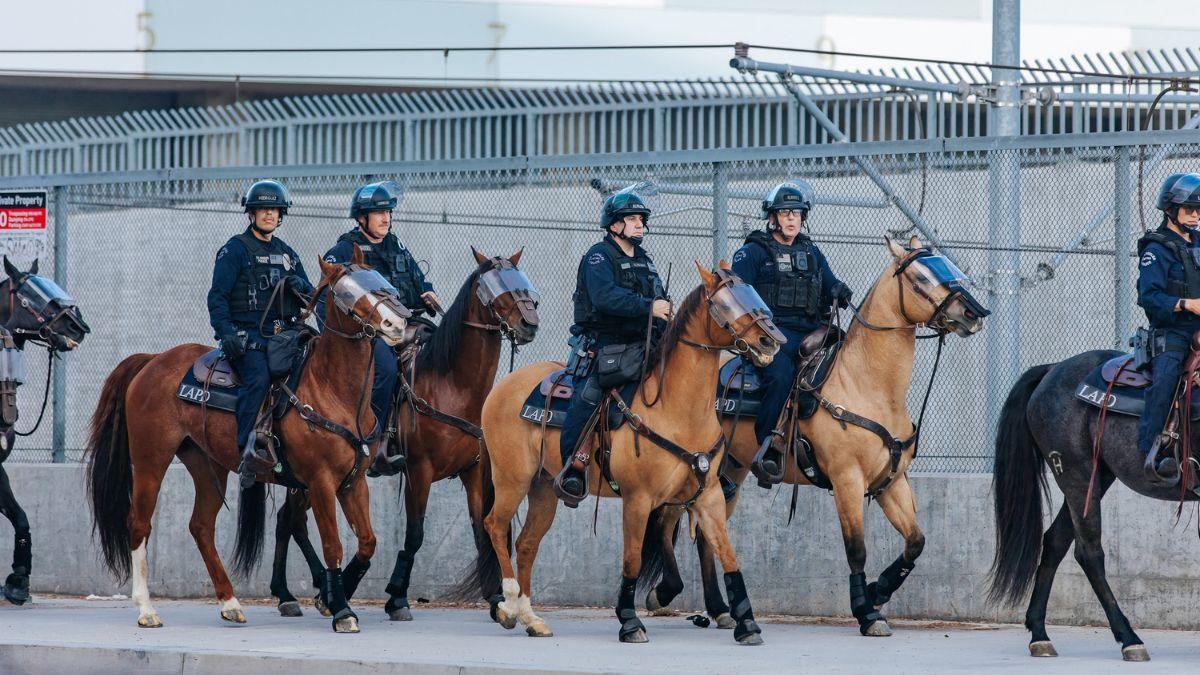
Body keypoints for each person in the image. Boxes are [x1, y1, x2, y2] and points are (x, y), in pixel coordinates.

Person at [554, 186, 670, 506]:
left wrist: (665, 321)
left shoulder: (645, 259)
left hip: (641, 344)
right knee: (587, 397)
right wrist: (649, 307)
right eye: (631, 219)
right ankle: (573, 468)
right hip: (602, 347)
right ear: (614, 225)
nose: (639, 225)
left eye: (641, 220)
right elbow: (605, 299)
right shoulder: (598, 256)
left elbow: (660, 298)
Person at [732, 180, 851, 487]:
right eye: (785, 213)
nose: (791, 219)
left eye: (797, 213)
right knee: (781, 376)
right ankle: (768, 448)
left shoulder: (811, 251)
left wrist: (838, 289)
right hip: (772, 336)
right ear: (772, 217)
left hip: (812, 332)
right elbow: (736, 298)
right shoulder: (752, 252)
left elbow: (830, 284)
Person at [318, 181, 439, 474]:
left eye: (388, 212)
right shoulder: (344, 250)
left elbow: (417, 278)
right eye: (378, 212)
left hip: (407, 324)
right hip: (369, 336)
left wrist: (428, 292)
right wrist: (347, 339)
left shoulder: (395, 243)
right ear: (362, 218)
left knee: (439, 351)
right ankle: (376, 443)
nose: (386, 218)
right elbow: (324, 301)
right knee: (384, 367)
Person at [207, 180, 314, 490]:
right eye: (263, 209)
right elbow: (217, 297)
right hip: (248, 339)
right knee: (259, 377)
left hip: (285, 338)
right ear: (251, 213)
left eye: (275, 210)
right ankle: (248, 451)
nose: (269, 214)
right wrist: (225, 333)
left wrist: (300, 288)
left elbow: (310, 295)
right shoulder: (235, 250)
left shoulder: (288, 254)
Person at [1135, 172, 1200, 484]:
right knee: (1165, 381)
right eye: (1190, 209)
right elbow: (1149, 298)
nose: (1196, 215)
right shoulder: (1155, 250)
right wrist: (1188, 304)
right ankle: (1152, 451)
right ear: (1171, 210)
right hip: (1173, 334)